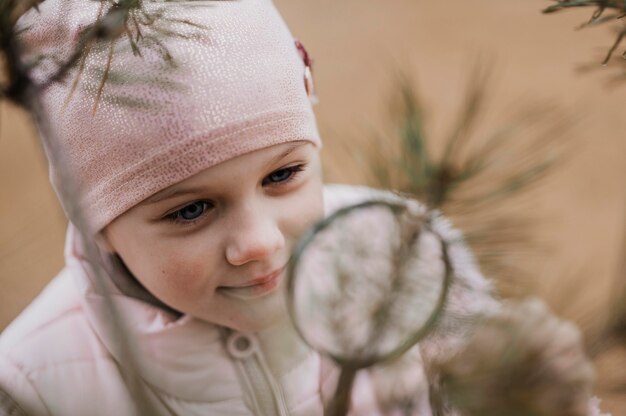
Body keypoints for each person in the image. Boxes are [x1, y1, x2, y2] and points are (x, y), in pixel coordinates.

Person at [0, 0, 498, 414]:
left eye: (281, 175)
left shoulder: (398, 251)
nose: (261, 242)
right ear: (96, 226)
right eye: (191, 210)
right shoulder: (31, 384)